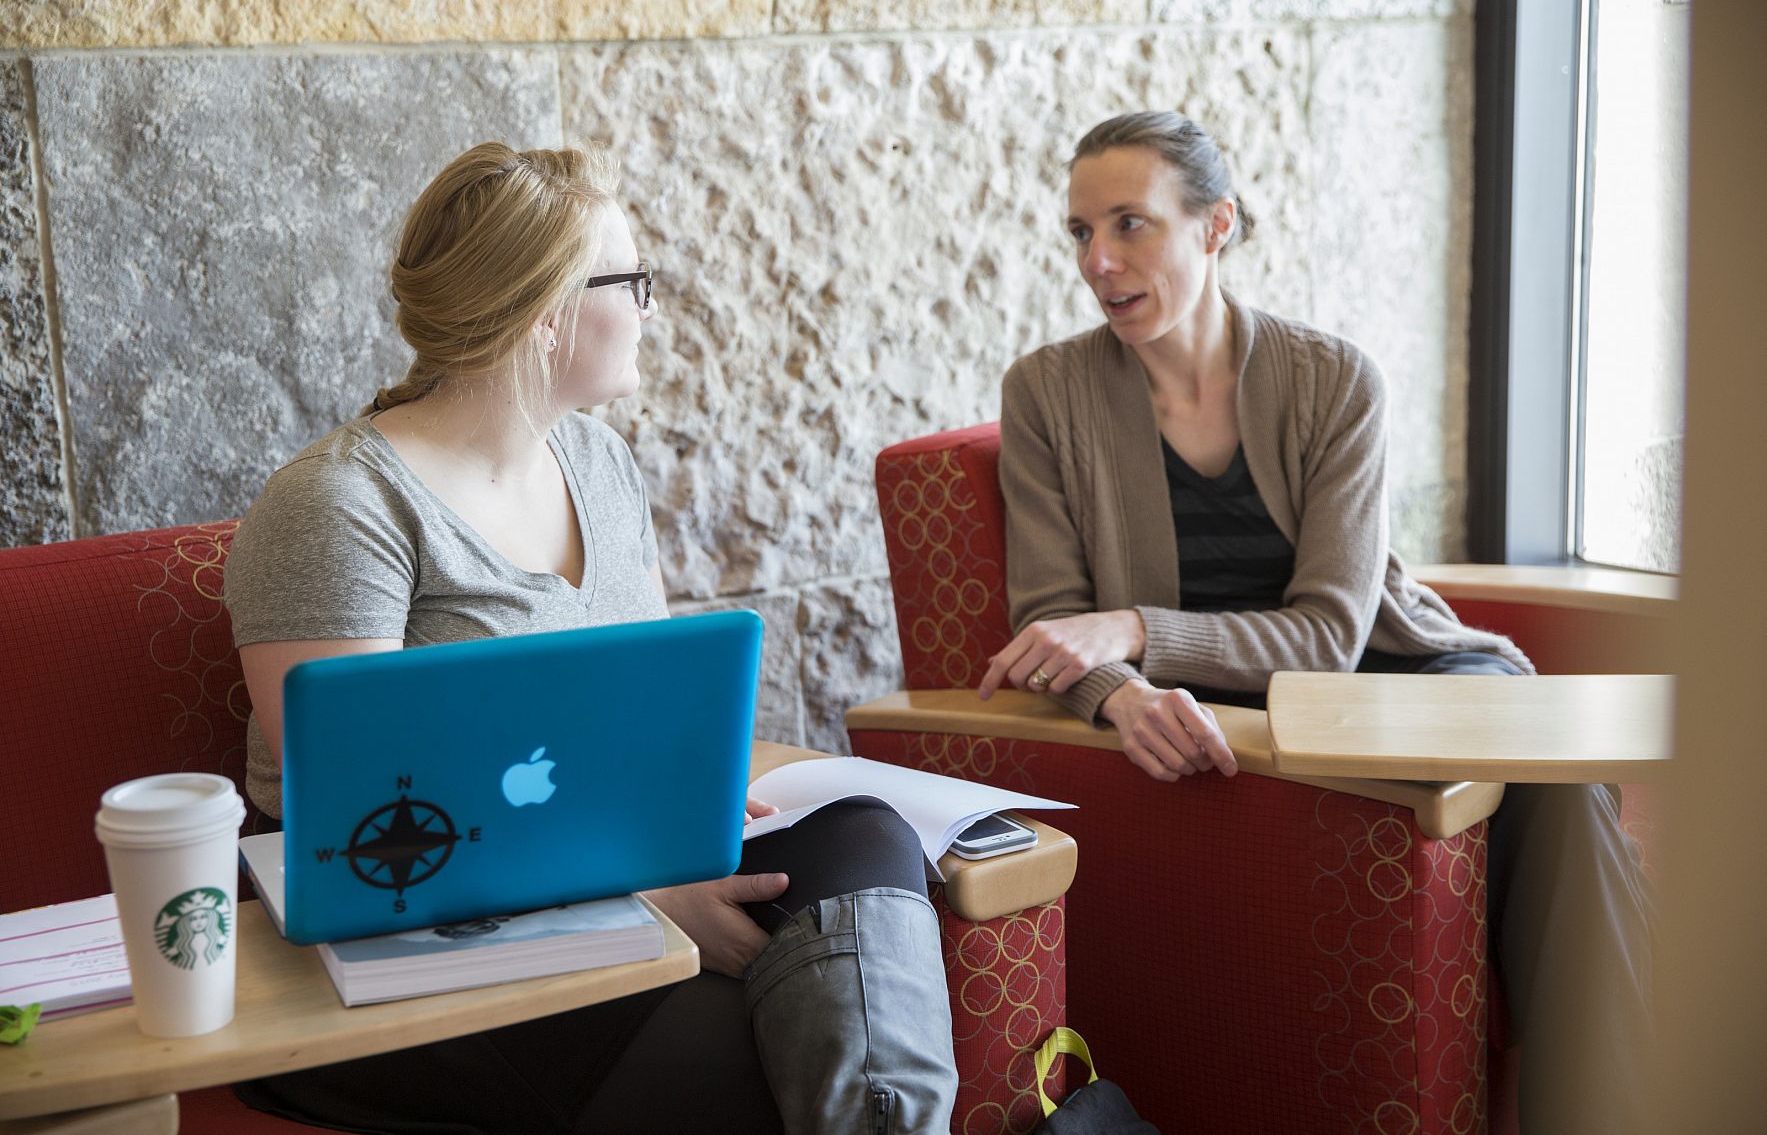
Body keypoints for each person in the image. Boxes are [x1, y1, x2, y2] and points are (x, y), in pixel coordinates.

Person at [222, 141, 958, 1134]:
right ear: (545, 309)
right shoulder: (340, 504)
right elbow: (370, 823)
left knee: (866, 829)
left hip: (595, 877)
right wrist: (641, 891)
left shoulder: (599, 463)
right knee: (754, 1035)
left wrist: (682, 821)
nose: (653, 308)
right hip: (413, 943)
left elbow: (645, 716)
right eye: (635, 281)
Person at [976, 111, 1654, 1134]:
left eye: (1131, 224)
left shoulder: (1335, 379)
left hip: (1398, 679)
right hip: (1217, 714)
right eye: (1079, 231)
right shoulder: (1047, 393)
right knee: (1562, 819)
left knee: (1551, 795)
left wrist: (1129, 630)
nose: (1100, 260)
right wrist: (1122, 689)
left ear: (1216, 227)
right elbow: (1050, 626)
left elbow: (1330, 636)